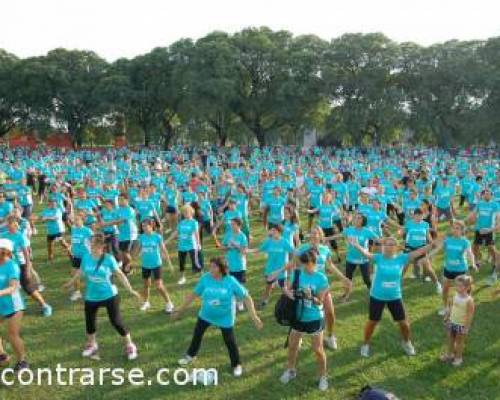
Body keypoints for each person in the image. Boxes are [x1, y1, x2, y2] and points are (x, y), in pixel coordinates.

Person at [349, 236, 437, 357]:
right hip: (377, 296)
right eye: (386, 244)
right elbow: (366, 253)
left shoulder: (402, 258)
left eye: (391, 245)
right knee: (372, 322)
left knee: (403, 323)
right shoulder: (378, 258)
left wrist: (432, 244)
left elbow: (419, 252)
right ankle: (365, 344)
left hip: (395, 296)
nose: (387, 247)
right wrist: (357, 245)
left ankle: (406, 342)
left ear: (396, 248)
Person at [173, 257, 263, 377]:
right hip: (206, 314)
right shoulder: (205, 278)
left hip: (225, 317)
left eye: (214, 267)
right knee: (197, 334)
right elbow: (193, 295)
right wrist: (180, 310)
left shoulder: (230, 281)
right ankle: (190, 355)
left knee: (230, 341)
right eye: (210, 266)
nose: (210, 269)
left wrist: (254, 316)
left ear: (221, 269)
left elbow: (246, 297)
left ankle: (236, 364)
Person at [63, 234, 141, 360]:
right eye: (90, 243)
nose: (90, 245)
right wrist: (70, 283)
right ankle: (92, 345)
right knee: (90, 323)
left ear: (100, 246)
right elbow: (81, 272)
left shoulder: (108, 259)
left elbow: (120, 274)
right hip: (91, 296)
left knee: (116, 322)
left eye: (92, 244)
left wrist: (130, 289)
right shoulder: (86, 257)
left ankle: (130, 345)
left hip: (109, 295)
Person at [279, 250, 329, 391]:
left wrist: (310, 296)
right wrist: (289, 293)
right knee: (293, 345)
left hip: (314, 317)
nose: (304, 267)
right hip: (298, 316)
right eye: (302, 263)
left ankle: (323, 376)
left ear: (314, 263)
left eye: (307, 264)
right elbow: (287, 289)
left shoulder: (321, 278)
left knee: (318, 349)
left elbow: (320, 302)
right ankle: (290, 370)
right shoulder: (297, 273)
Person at [431, 221, 477, 316]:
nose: (455, 230)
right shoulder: (447, 240)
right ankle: (445, 307)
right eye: (454, 228)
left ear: (462, 230)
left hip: (460, 270)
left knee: (462, 290)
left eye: (457, 228)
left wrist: (473, 263)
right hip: (448, 269)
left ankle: (465, 306)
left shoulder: (465, 241)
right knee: (445, 289)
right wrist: (428, 257)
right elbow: (437, 249)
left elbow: (469, 253)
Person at [0, 238, 28, 371]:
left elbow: (13, 287)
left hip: (13, 305)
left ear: (4, 251)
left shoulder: (12, 266)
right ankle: (2, 355)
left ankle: (22, 361)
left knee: (12, 334)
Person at [137, 219, 174, 313]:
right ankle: (146, 302)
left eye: (146, 226)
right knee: (146, 285)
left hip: (156, 264)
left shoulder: (157, 237)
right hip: (145, 265)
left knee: (158, 286)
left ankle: (169, 303)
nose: (144, 228)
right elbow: (138, 250)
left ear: (151, 226)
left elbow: (164, 250)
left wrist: (169, 263)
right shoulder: (141, 237)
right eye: (143, 226)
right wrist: (131, 262)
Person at [440, 275, 475, 367]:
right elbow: (451, 307)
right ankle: (449, 354)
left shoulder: (469, 300)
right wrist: (447, 317)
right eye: (456, 285)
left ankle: (459, 358)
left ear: (467, 287)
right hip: (452, 322)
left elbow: (469, 315)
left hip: (461, 325)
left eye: (460, 286)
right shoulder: (455, 295)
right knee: (450, 339)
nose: (457, 287)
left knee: (459, 342)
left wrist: (466, 328)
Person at [215, 218, 248, 312]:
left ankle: (240, 302)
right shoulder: (228, 234)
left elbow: (244, 251)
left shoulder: (243, 236)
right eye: (231, 224)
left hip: (240, 265)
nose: (231, 226)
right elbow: (222, 248)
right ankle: (231, 301)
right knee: (228, 284)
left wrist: (235, 245)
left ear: (239, 225)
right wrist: (227, 247)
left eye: (233, 224)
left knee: (240, 284)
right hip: (229, 265)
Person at [166, 204, 203, 285]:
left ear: (191, 212)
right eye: (184, 212)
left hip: (191, 245)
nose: (185, 214)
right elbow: (176, 232)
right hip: (182, 246)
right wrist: (167, 241)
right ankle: (182, 277)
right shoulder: (181, 222)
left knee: (195, 261)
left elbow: (197, 234)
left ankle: (201, 276)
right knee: (181, 262)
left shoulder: (194, 222)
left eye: (187, 212)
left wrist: (198, 244)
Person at [67, 213, 93, 301]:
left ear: (82, 221)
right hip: (76, 256)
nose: (76, 221)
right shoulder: (73, 230)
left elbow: (93, 242)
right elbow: (73, 241)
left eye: (78, 220)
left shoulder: (87, 231)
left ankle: (93, 290)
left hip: (86, 256)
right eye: (75, 220)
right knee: (74, 273)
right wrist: (69, 247)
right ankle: (77, 292)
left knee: (88, 275)